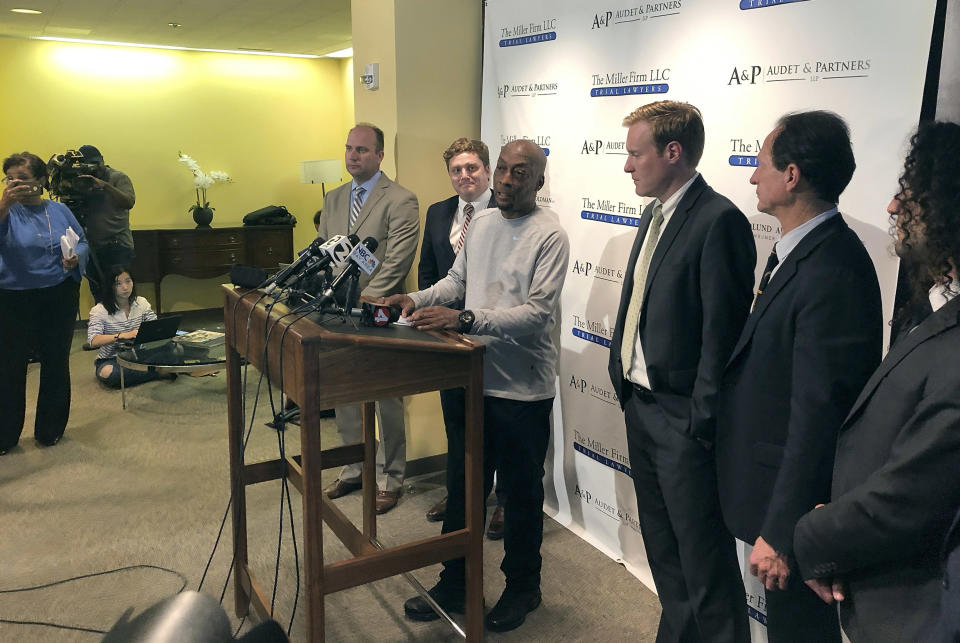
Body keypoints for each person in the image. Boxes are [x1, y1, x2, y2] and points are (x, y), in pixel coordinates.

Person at [385, 139, 568, 632]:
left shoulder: (550, 236)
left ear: (539, 180)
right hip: (473, 379)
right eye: (503, 170)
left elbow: (534, 315)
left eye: (520, 173)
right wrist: (414, 296)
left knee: (520, 496)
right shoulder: (483, 222)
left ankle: (523, 587)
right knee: (465, 489)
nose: (507, 180)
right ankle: (455, 579)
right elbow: (455, 279)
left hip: (522, 391)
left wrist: (464, 317)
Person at [715, 111, 882, 642]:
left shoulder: (832, 268)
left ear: (791, 176)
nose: (751, 177)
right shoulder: (800, 252)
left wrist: (783, 530)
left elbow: (819, 413)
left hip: (790, 512)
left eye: (760, 164)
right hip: (768, 494)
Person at [791, 120, 960, 642]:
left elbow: (913, 492)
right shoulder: (931, 302)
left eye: (908, 193)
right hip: (879, 578)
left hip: (917, 605)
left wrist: (815, 536)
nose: (891, 208)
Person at [607, 101, 755, 643]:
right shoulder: (654, 214)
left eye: (635, 154)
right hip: (642, 408)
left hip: (682, 422)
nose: (627, 166)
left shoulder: (719, 221)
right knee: (666, 555)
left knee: (705, 563)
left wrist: (700, 423)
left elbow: (723, 338)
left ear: (673, 153)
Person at [318, 123, 420, 514]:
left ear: (379, 155)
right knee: (344, 393)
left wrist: (364, 296)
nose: (352, 156)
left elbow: (398, 259)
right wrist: (333, 295)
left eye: (361, 150)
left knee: (386, 396)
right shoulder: (334, 198)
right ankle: (353, 467)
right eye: (348, 149)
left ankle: (391, 477)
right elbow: (327, 250)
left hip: (381, 311)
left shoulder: (401, 199)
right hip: (338, 311)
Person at [418, 137, 505, 540]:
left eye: (472, 168)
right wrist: (431, 325)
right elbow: (429, 272)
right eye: (456, 170)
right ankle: (460, 497)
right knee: (457, 423)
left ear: (486, 170)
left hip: (492, 335)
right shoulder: (438, 213)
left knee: (499, 422)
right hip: (448, 339)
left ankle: (503, 501)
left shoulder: (505, 211)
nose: (464, 176)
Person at [0, 151, 89, 455]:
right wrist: (3, 205)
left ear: (40, 181)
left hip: (58, 294)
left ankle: (50, 430)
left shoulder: (60, 210)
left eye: (22, 178)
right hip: (13, 296)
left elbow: (83, 240)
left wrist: (77, 258)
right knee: (10, 365)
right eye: (10, 178)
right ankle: (4, 436)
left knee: (55, 360)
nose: (15, 183)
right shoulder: (5, 211)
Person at [75, 145, 136, 301]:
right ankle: (104, 325)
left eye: (97, 163)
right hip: (94, 246)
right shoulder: (82, 181)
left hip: (118, 245)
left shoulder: (118, 177)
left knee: (122, 294)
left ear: (102, 159)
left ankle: (126, 325)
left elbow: (129, 202)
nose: (95, 167)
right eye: (90, 165)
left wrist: (105, 185)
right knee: (100, 294)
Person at [87, 265, 162, 388]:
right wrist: (122, 336)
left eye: (128, 281)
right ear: (110, 286)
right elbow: (93, 341)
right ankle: (159, 372)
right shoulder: (99, 310)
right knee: (109, 374)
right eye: (118, 283)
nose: (125, 287)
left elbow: (155, 326)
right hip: (112, 359)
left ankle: (151, 371)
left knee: (177, 351)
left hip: (141, 355)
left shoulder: (141, 303)